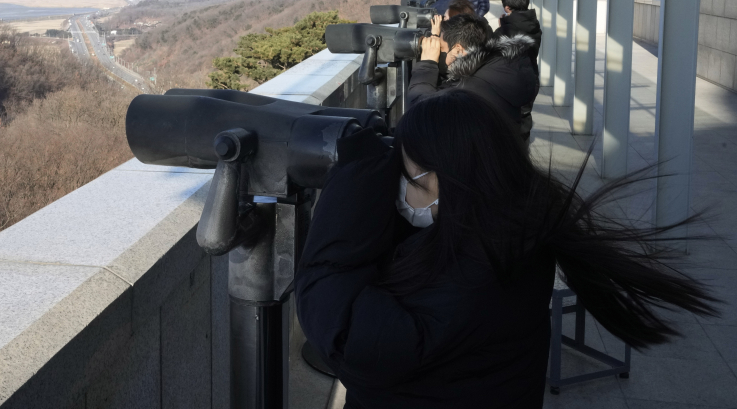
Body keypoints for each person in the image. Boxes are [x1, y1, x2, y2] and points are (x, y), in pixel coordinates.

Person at [296, 89, 719, 409]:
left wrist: (350, 188)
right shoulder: (508, 226)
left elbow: (350, 340)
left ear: (444, 179)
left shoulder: (476, 268)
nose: (399, 191)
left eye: (406, 177)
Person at [407, 15, 538, 134]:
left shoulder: (467, 90)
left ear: (458, 49)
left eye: (441, 48)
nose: (438, 53)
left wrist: (427, 64)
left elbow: (421, 114)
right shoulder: (498, 71)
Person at [494, 0, 542, 140]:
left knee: (508, 121)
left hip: (510, 81)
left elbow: (495, 50)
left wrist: (503, 27)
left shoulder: (505, 31)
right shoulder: (534, 25)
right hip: (531, 77)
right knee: (525, 116)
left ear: (507, 7)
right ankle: (523, 147)